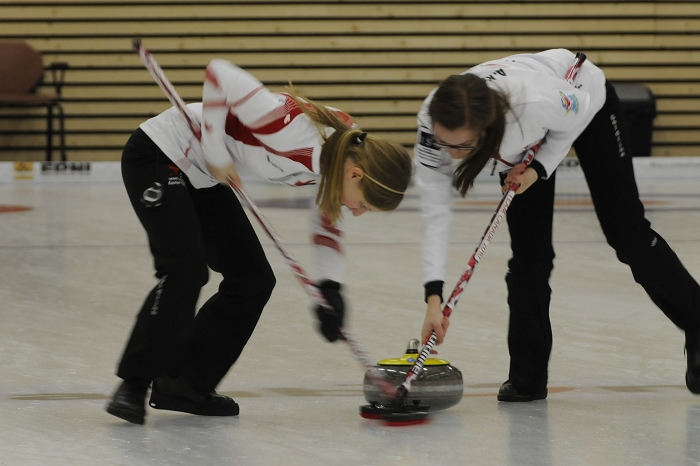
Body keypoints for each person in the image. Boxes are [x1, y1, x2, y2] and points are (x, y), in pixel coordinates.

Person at [106, 58, 412, 424]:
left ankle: (183, 383)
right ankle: (133, 383)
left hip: (205, 177)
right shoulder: (288, 129)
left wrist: (330, 286)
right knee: (185, 270)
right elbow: (219, 73)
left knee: (252, 281)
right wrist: (217, 151)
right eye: (362, 204)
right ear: (356, 173)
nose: (357, 212)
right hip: (161, 155)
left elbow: (326, 218)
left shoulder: (342, 154)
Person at [414, 48, 700, 402]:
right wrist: (433, 296)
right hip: (522, 137)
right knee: (529, 256)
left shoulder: (535, 103)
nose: (453, 154)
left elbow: (579, 110)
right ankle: (527, 379)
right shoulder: (432, 120)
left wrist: (539, 168)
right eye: (446, 143)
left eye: (464, 146)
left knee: (626, 233)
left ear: (486, 128)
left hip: (584, 101)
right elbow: (434, 209)